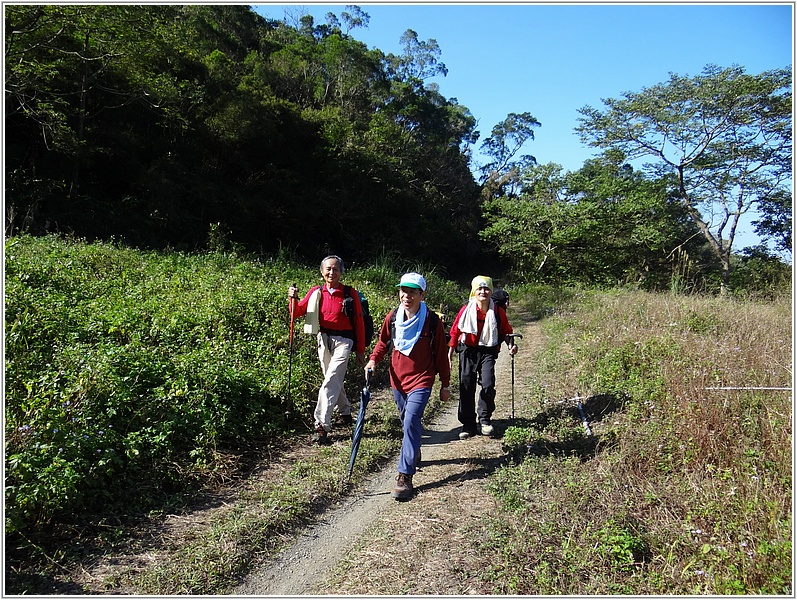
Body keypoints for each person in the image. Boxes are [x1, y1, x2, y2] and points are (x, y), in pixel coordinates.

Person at [365, 272, 451, 501]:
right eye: (404, 291)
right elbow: (383, 342)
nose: (407, 296)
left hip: (422, 379)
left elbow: (442, 354)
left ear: (422, 295)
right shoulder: (392, 317)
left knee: (412, 420)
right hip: (397, 380)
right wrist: (373, 359)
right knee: (406, 422)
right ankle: (413, 453)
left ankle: (405, 475)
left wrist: (446, 384)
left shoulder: (432, 321)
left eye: (413, 292)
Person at [288, 255, 366, 445]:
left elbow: (359, 321)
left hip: (344, 340)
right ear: (322, 271)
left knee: (331, 379)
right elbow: (296, 312)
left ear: (341, 272)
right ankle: (346, 412)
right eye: (328, 269)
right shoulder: (316, 292)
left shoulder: (350, 293)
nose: (332, 272)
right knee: (331, 378)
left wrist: (360, 349)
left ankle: (321, 426)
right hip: (323, 338)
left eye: (336, 269)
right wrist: (293, 297)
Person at [448, 275, 518, 439]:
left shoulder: (497, 311)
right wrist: (449, 355)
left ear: (491, 291)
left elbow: (506, 331)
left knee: (487, 383)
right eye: (479, 288)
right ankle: (468, 424)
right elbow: (455, 332)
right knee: (466, 385)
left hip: (487, 351)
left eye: (486, 288)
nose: (483, 291)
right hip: (467, 349)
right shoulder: (466, 310)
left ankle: (485, 420)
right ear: (474, 291)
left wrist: (510, 345)